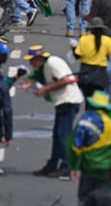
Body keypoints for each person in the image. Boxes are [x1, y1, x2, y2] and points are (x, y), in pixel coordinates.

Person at [21, 45, 85, 177]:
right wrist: (28, 84)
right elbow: (34, 77)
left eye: (32, 60)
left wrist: (46, 89)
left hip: (69, 100)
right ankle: (52, 164)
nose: (30, 63)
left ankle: (67, 166)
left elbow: (65, 80)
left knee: (63, 136)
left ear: (38, 58)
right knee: (57, 135)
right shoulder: (43, 67)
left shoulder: (53, 62)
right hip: (61, 101)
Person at [69, 90, 111, 204]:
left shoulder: (86, 119)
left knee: (85, 196)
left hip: (89, 166)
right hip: (106, 165)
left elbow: (77, 144)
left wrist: (74, 165)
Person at [74, 16, 111, 97]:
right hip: (100, 75)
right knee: (98, 101)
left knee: (88, 100)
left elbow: (77, 55)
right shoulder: (107, 40)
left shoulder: (84, 39)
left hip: (85, 74)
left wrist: (73, 48)